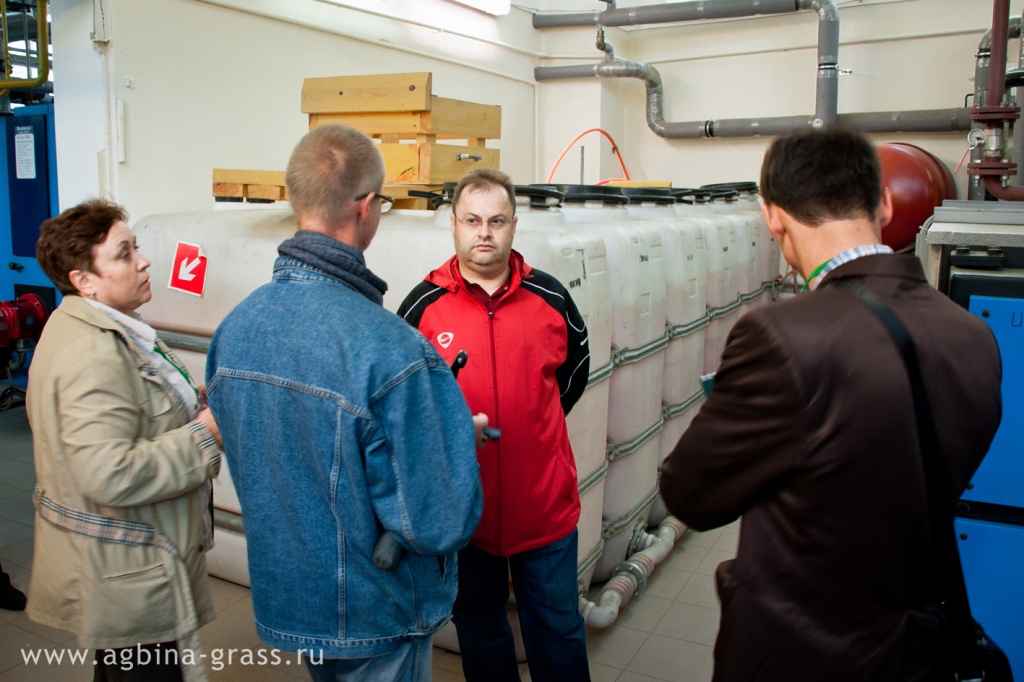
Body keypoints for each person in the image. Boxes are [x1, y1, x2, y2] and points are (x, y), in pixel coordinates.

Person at [658, 128, 1003, 682]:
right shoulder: (972, 336)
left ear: (772, 217)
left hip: (799, 655)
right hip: (914, 649)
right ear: (885, 204)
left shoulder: (780, 336)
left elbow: (690, 494)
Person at [205, 124, 484, 682]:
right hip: (375, 607)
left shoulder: (233, 334)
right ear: (366, 207)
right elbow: (436, 520)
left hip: (292, 596)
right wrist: (453, 440)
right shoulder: (392, 349)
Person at [397, 168, 591, 682]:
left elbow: (573, 376)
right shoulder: (420, 308)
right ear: (454, 226)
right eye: (473, 220)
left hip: (543, 508)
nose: (485, 232)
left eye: (497, 221)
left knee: (559, 632)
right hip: (465, 516)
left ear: (514, 226)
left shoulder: (551, 299)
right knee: (481, 633)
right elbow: (407, 406)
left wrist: (531, 426)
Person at [26, 199, 224, 682]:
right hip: (129, 569)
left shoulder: (103, 326)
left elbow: (133, 412)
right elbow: (110, 473)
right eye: (123, 253)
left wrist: (192, 402)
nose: (143, 260)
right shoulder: (92, 352)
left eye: (136, 246)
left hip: (127, 560)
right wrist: (207, 432)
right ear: (84, 280)